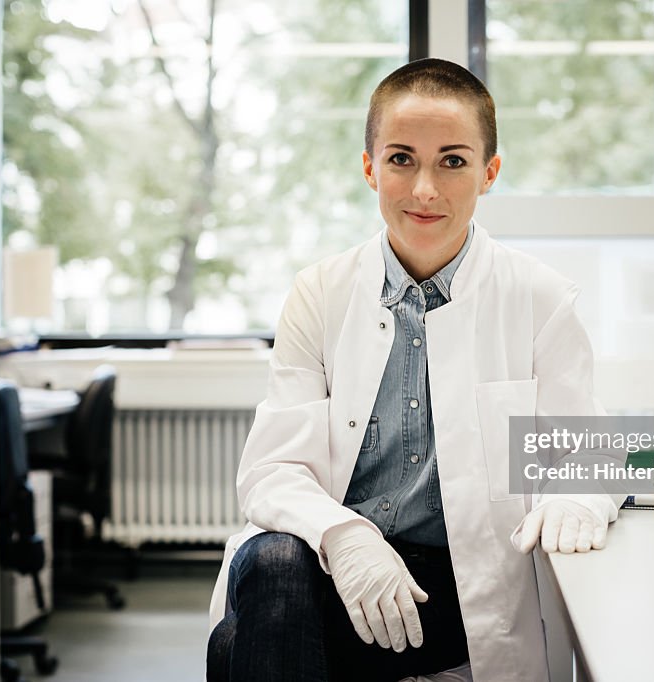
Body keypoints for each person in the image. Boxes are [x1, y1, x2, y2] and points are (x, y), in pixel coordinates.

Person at [206, 57, 623, 682]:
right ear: (370, 166)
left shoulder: (538, 297)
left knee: (234, 646)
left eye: (453, 161)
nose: (425, 189)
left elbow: (587, 455)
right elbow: (272, 470)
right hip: (328, 564)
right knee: (273, 564)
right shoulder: (320, 292)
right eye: (402, 158)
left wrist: (579, 499)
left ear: (489, 173)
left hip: (460, 586)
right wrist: (346, 538)